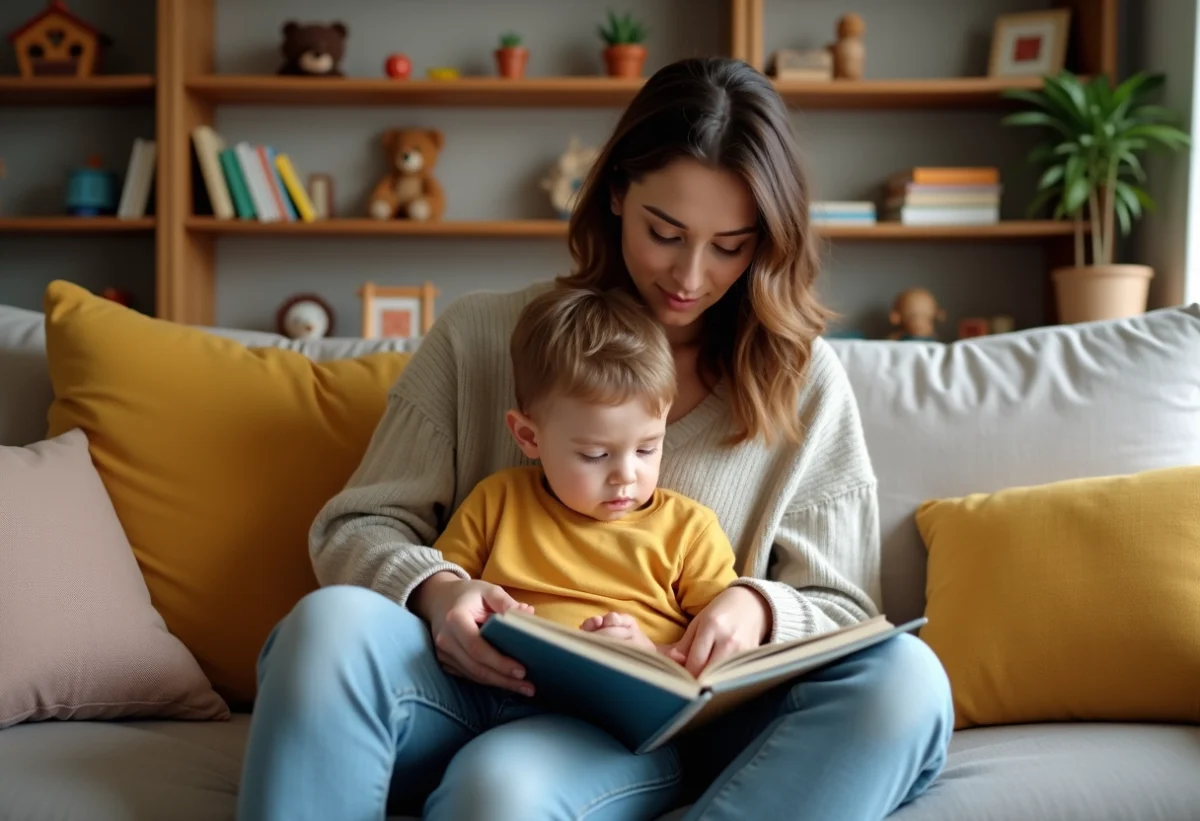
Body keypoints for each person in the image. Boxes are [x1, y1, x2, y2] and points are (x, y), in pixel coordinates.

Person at [237, 55, 954, 821]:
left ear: (768, 241)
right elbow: (359, 525)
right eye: (665, 232)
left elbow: (848, 612)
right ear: (615, 193)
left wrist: (754, 610)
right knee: (326, 627)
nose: (690, 274)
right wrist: (438, 590)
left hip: (668, 730)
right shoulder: (480, 338)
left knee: (908, 681)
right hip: (469, 689)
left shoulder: (802, 380)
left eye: (730, 245)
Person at [433, 285, 739, 657]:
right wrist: (450, 595)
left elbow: (719, 651)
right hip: (497, 684)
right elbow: (443, 584)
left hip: (626, 699)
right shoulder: (496, 502)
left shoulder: (690, 532)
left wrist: (652, 653)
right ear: (529, 436)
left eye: (647, 448)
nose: (626, 475)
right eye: (595, 454)